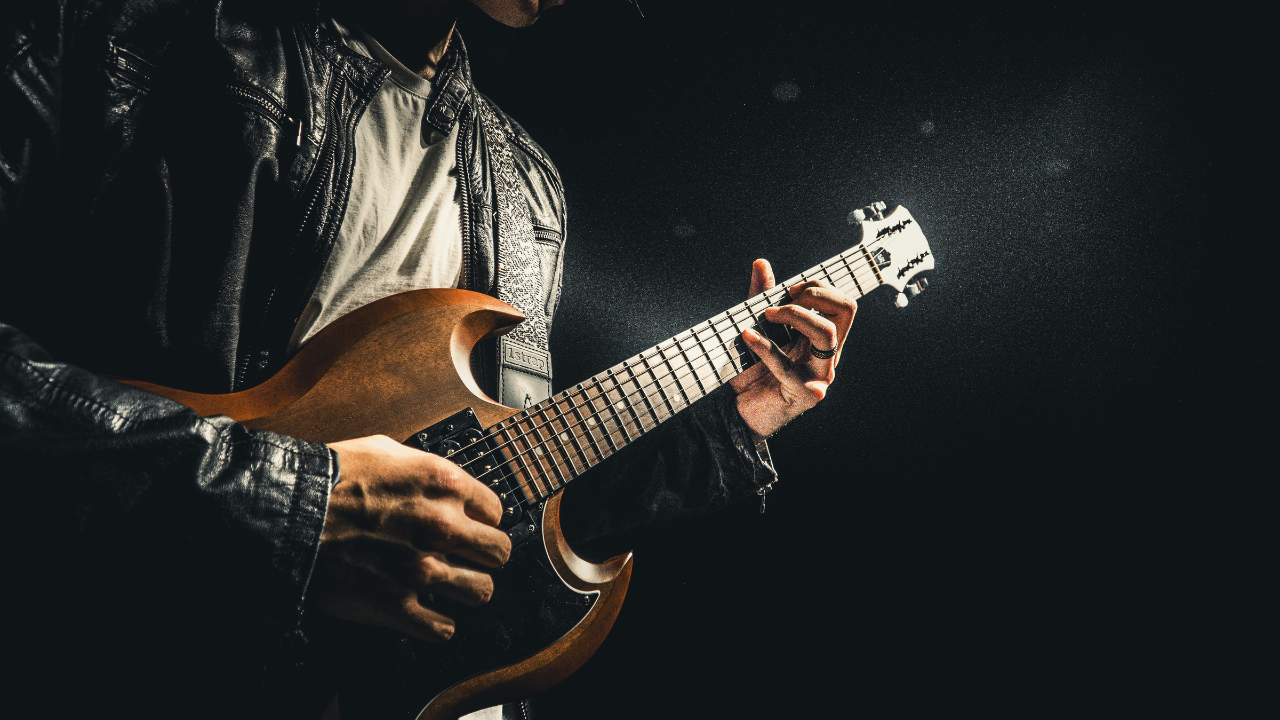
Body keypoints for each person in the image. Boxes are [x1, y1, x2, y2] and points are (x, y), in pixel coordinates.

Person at [0, 0, 856, 717]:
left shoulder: (525, 185)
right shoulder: (128, 31)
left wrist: (729, 417)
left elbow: (501, 496)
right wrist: (289, 509)